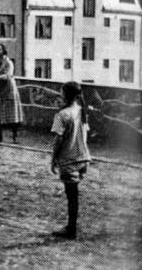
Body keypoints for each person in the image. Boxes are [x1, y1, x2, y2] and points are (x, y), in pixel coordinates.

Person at [50, 81, 91, 240]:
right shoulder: (82, 111)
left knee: (71, 196)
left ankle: (71, 229)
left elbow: (58, 140)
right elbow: (85, 134)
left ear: (66, 95)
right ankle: (71, 227)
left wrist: (53, 158)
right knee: (73, 195)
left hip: (69, 160)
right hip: (83, 159)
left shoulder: (62, 115)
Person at [0, 44, 24, 144]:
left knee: (13, 116)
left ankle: (15, 137)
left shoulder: (9, 63)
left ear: (4, 51)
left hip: (9, 91)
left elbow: (7, 76)